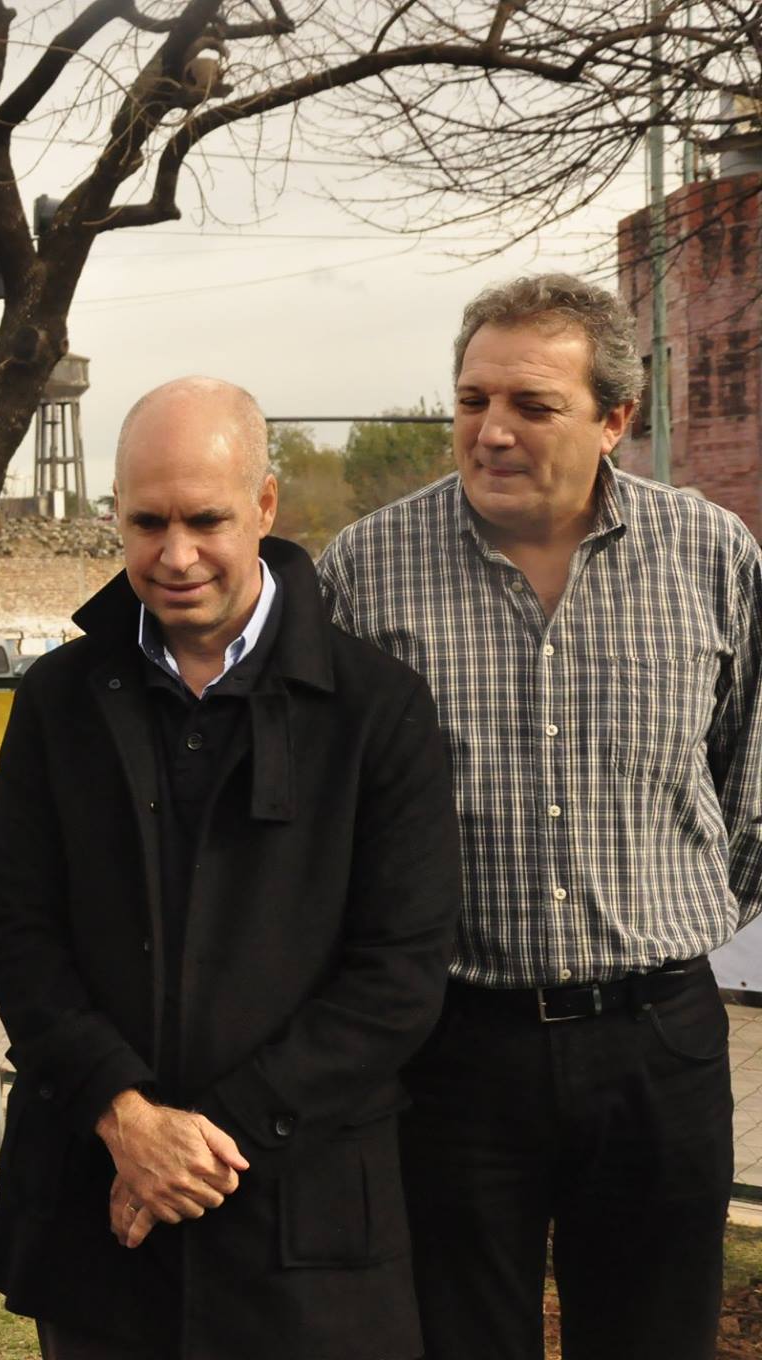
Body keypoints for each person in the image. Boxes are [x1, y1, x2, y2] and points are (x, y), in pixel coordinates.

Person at [320, 273, 762, 1360]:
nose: (492, 431)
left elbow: (752, 794)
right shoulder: (364, 573)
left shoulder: (711, 556)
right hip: (448, 1054)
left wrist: (673, 929)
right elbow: (325, 819)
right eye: (472, 400)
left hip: (657, 1047)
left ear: (615, 418)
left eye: (532, 404)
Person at [0, 377, 462, 1359]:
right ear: (114, 513)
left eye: (205, 520)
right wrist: (123, 1117)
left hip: (307, 1232)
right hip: (100, 1219)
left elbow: (397, 977)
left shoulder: (377, 710)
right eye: (146, 522)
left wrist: (203, 1141)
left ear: (265, 505)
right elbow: (20, 933)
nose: (175, 555)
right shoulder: (57, 699)